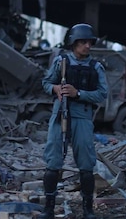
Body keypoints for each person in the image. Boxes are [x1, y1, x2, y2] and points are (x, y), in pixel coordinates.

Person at [40, 23, 109, 219]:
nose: (87, 46)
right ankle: (48, 209)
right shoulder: (61, 62)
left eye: (89, 42)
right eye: (83, 42)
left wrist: (78, 93)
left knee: (86, 165)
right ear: (73, 43)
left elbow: (102, 93)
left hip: (82, 118)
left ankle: (88, 209)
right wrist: (56, 90)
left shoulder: (96, 67)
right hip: (60, 115)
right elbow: (46, 82)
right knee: (53, 162)